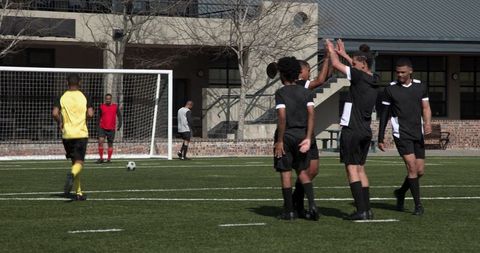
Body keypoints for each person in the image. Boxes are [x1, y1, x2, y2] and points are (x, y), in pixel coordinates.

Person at [326, 39, 379, 220]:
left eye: (355, 63)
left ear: (363, 64)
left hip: (352, 129)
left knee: (351, 169)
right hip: (365, 130)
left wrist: (331, 50)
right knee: (361, 169)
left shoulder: (358, 76)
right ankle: (367, 210)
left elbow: (335, 64)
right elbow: (359, 70)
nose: (353, 65)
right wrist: (347, 56)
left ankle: (360, 210)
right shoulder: (373, 78)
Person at [377, 57, 432, 215]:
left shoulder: (420, 87)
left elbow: (426, 107)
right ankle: (418, 205)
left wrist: (427, 123)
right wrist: (381, 137)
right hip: (401, 133)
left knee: (420, 171)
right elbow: (385, 114)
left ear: (410, 71)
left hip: (417, 132)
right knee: (412, 167)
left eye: (402, 72)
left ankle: (401, 192)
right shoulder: (390, 89)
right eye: (397, 72)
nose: (399, 75)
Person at [274, 56, 319, 221]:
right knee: (303, 172)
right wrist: (308, 137)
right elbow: (312, 114)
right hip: (302, 135)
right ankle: (312, 206)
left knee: (286, 173)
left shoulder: (281, 92)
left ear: (283, 75)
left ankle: (289, 211)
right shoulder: (306, 92)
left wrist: (279, 140)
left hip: (286, 136)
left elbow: (282, 117)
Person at [292, 53, 332, 216]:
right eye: (308, 70)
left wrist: (330, 61)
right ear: (301, 72)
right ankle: (298, 204)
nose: (310, 73)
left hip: (309, 132)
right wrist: (328, 58)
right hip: (299, 133)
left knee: (313, 170)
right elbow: (321, 81)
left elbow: (325, 77)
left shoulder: (303, 84)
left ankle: (296, 197)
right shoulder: (300, 84)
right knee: (304, 170)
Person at [52, 73, 94, 201]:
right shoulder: (85, 96)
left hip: (67, 135)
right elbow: (91, 114)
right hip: (81, 134)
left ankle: (78, 193)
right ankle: (71, 174)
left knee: (74, 162)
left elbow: (54, 113)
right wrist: (84, 119)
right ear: (80, 83)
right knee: (79, 162)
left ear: (67, 83)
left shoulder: (61, 96)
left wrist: (60, 122)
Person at [96, 93, 123, 164]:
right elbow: (98, 117)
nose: (108, 100)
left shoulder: (115, 107)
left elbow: (119, 116)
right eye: (106, 99)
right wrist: (97, 126)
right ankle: (101, 158)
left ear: (111, 99)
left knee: (110, 144)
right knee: (100, 141)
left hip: (111, 128)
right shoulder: (101, 106)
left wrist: (120, 124)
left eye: (109, 99)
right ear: (105, 99)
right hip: (102, 127)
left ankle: (109, 159)